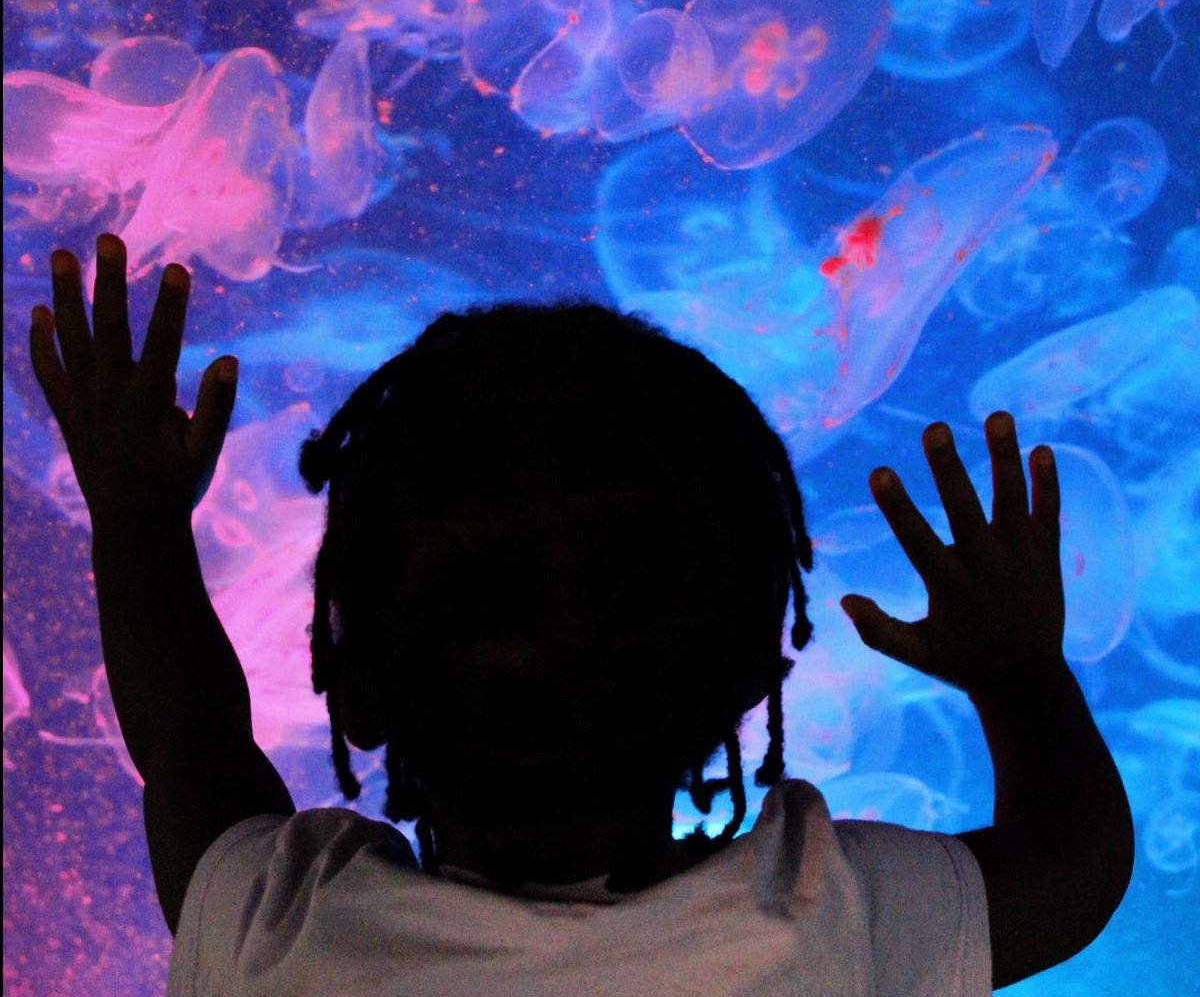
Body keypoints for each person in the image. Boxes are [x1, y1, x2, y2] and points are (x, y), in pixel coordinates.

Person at [29, 232, 1133, 996]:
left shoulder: (276, 939)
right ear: (751, 684)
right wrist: (1016, 667)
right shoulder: (830, 924)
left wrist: (134, 513)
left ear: (349, 685)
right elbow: (1075, 863)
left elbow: (188, 745)